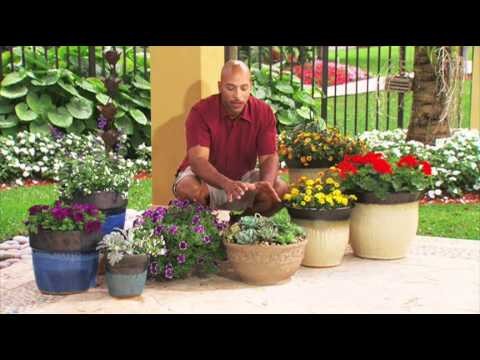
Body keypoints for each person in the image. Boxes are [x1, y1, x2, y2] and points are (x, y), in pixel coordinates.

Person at [172, 59, 288, 216]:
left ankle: (242, 225)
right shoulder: (201, 111)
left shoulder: (264, 112)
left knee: (281, 189)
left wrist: (265, 184)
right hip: (205, 178)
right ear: (220, 86)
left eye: (243, 88)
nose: (237, 96)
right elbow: (198, 161)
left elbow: (269, 157)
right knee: (188, 189)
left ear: (250, 87)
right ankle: (207, 227)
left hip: (242, 178)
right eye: (230, 88)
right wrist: (226, 183)